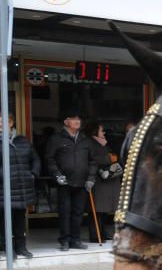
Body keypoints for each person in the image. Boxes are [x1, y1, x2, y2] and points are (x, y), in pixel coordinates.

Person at [44, 108, 97, 251]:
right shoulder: (56, 138)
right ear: (66, 122)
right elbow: (50, 159)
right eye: (74, 119)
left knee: (78, 213)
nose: (77, 122)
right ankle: (65, 240)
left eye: (79, 119)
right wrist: (57, 175)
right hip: (64, 182)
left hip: (82, 182)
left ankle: (75, 239)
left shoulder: (85, 139)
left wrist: (91, 178)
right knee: (65, 212)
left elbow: (92, 161)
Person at [1, 114, 41, 259]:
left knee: (19, 219)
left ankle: (21, 247)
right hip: (3, 188)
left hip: (22, 187)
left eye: (3, 122)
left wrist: (33, 174)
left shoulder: (22, 140)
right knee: (5, 220)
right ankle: (8, 247)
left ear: (11, 123)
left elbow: (35, 158)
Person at [84, 120, 122, 243]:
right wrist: (109, 159)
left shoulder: (104, 143)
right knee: (97, 209)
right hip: (98, 180)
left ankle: (103, 233)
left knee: (104, 210)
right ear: (94, 131)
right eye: (101, 130)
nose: (103, 132)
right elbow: (94, 159)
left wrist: (111, 158)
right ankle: (95, 235)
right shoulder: (89, 143)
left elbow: (116, 156)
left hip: (109, 180)